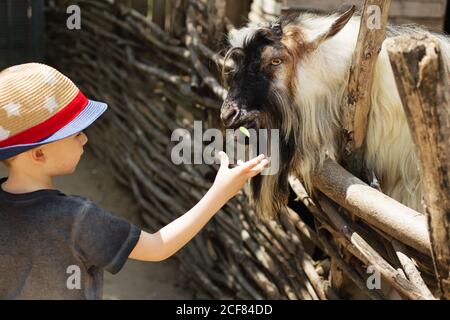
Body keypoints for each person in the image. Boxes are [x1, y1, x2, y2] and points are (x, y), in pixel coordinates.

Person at [0, 63, 268, 299]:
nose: (85, 139)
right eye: (75, 134)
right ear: (38, 153)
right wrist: (219, 192)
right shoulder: (75, 219)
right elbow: (157, 247)